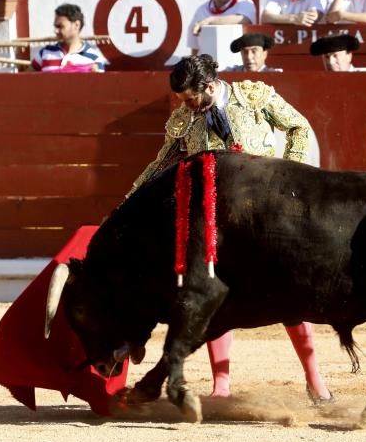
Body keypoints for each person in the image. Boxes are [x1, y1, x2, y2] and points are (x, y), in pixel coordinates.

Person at [128, 55, 333, 404]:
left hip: (265, 213)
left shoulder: (253, 97)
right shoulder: (183, 119)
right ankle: (221, 386)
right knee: (215, 298)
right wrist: (130, 201)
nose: (187, 106)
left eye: (192, 99)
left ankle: (316, 381)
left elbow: (299, 126)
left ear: (210, 86)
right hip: (216, 221)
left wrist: (291, 175)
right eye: (182, 100)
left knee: (288, 294)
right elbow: (162, 162)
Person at [310, 33, 366, 149]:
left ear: (349, 55)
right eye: (326, 57)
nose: (331, 62)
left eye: (335, 56)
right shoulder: (320, 86)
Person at [188, 0, 257, 53]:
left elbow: (243, 19)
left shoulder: (245, 3)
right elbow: (195, 48)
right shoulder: (202, 10)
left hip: (239, 63)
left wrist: (209, 21)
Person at [31, 3, 108, 72]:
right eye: (55, 26)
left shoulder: (94, 58)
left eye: (60, 26)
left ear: (76, 25)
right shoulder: (44, 53)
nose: (55, 31)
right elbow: (26, 82)